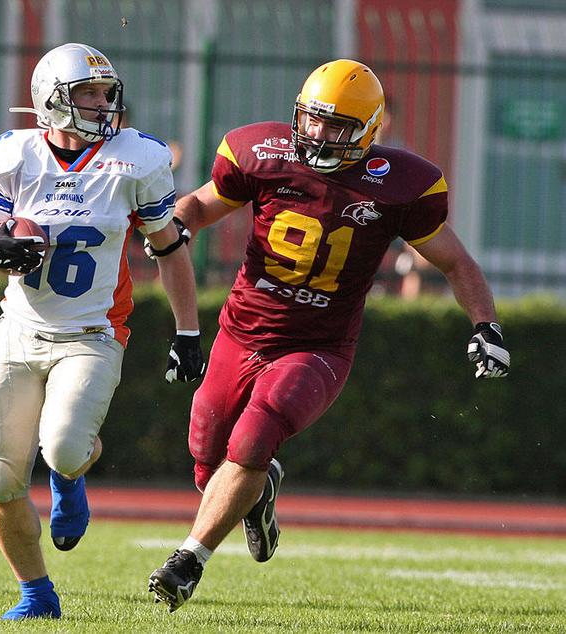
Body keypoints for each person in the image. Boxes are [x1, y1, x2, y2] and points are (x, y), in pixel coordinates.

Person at [147, 58, 511, 611]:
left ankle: (188, 560)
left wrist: (486, 325)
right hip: (241, 333)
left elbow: (455, 262)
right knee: (206, 454)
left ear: (368, 131)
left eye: (336, 125)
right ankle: (258, 493)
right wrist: (177, 224)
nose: (317, 133)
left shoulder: (399, 185)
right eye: (312, 119)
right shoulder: (262, 153)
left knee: (253, 440)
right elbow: (199, 204)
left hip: (317, 347)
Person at [0, 42, 206, 620]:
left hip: (93, 332)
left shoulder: (135, 159)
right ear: (50, 100)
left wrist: (188, 332)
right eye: (87, 93)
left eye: (105, 91)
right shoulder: (9, 158)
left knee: (65, 449)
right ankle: (37, 594)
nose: (101, 103)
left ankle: (69, 478)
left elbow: (169, 247)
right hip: (19, 332)